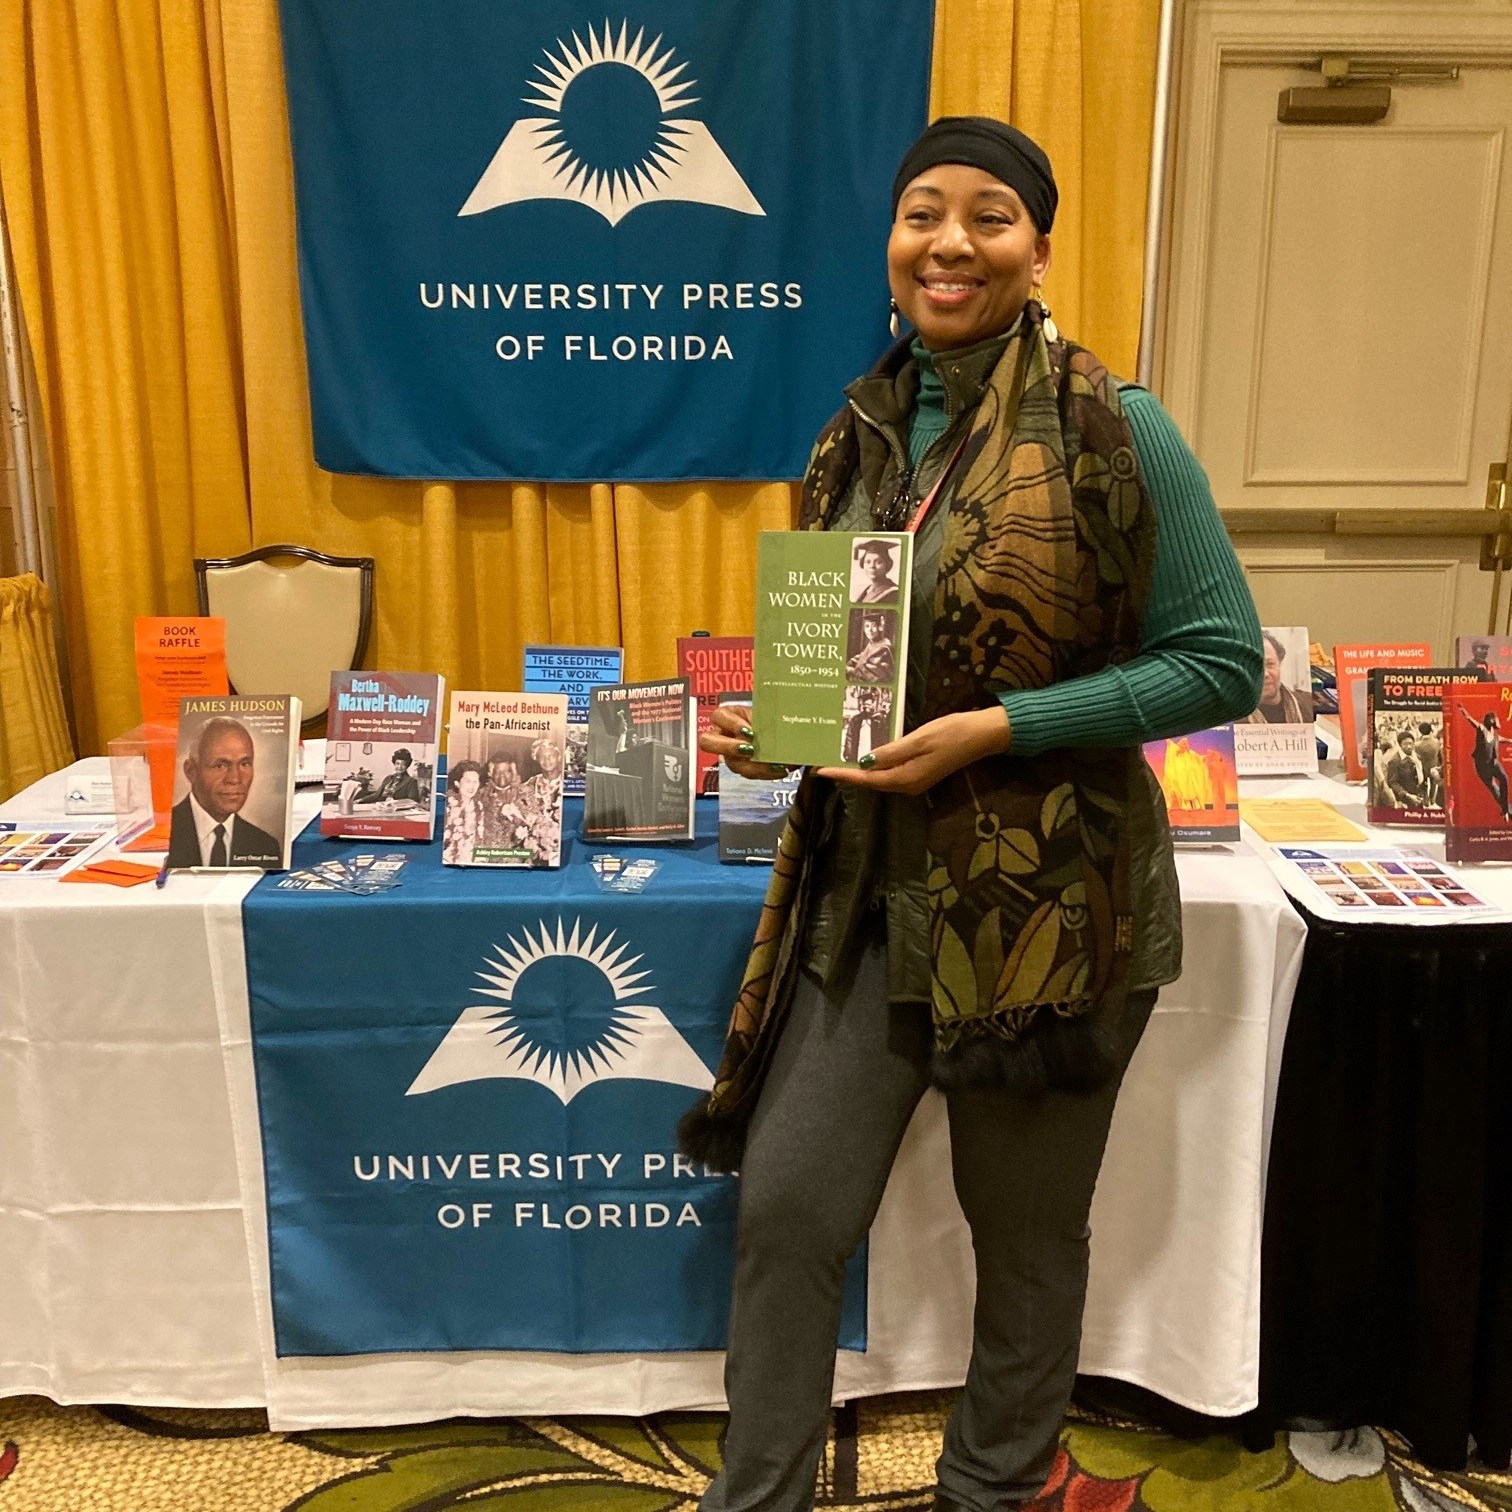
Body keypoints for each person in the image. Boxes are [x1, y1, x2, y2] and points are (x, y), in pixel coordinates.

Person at [681, 116, 1263, 1512]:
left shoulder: (1119, 430)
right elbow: (862, 674)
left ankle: (994, 1488)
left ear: (1039, 247)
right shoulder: (857, 434)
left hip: (1049, 912)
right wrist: (785, 731)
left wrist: (997, 732)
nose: (950, 243)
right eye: (922, 213)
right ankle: (754, 1496)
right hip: (869, 896)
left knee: (1028, 1238)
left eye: (990, 216)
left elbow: (1220, 657)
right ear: (891, 241)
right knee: (789, 1211)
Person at [167, 716, 282, 868]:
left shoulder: (266, 845)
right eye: (220, 765)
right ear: (191, 771)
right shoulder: (165, 833)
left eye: (244, 764)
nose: (235, 779)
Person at [1242, 631, 1311, 724]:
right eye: (1255, 667)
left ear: (1280, 664)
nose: (1265, 674)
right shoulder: (1230, 715)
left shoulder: (1306, 703)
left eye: (1270, 664)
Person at [1459, 705, 1512, 820]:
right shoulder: (1482, 729)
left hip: (1493, 764)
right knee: (1494, 788)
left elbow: (1506, 740)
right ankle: (1507, 811)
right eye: (1497, 719)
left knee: (1504, 779)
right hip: (1482, 767)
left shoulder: (1496, 736)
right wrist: (1464, 712)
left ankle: (1505, 810)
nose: (1499, 722)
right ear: (1492, 720)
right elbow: (1470, 720)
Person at [441, 760, 487, 864]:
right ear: (457, 783)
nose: (472, 786)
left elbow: (480, 837)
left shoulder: (479, 806)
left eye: (475, 781)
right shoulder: (448, 806)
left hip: (472, 860)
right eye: (468, 781)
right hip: (450, 859)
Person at [355, 747, 422, 805]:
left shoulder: (411, 781)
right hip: (381, 808)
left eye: (403, 764)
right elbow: (377, 795)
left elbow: (413, 801)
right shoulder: (388, 778)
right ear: (394, 764)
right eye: (397, 763)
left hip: (397, 811)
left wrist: (394, 802)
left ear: (407, 766)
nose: (400, 767)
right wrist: (360, 800)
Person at [847, 611, 896, 683]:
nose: (870, 630)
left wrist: (852, 671)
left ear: (880, 627)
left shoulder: (884, 648)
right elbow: (862, 656)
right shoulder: (871, 644)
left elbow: (873, 670)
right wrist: (851, 663)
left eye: (874, 626)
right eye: (867, 626)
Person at [1385, 728, 1428, 808]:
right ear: (1400, 745)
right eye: (1405, 744)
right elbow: (1393, 782)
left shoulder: (1417, 757)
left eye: (1411, 743)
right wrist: (1407, 795)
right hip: (1406, 801)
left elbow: (1422, 776)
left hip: (1419, 797)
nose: (1409, 746)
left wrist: (1425, 797)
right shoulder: (1395, 761)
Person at [852, 539, 901, 604]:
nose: (872, 566)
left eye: (878, 562)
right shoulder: (867, 590)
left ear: (887, 564)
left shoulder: (893, 593)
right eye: (868, 562)